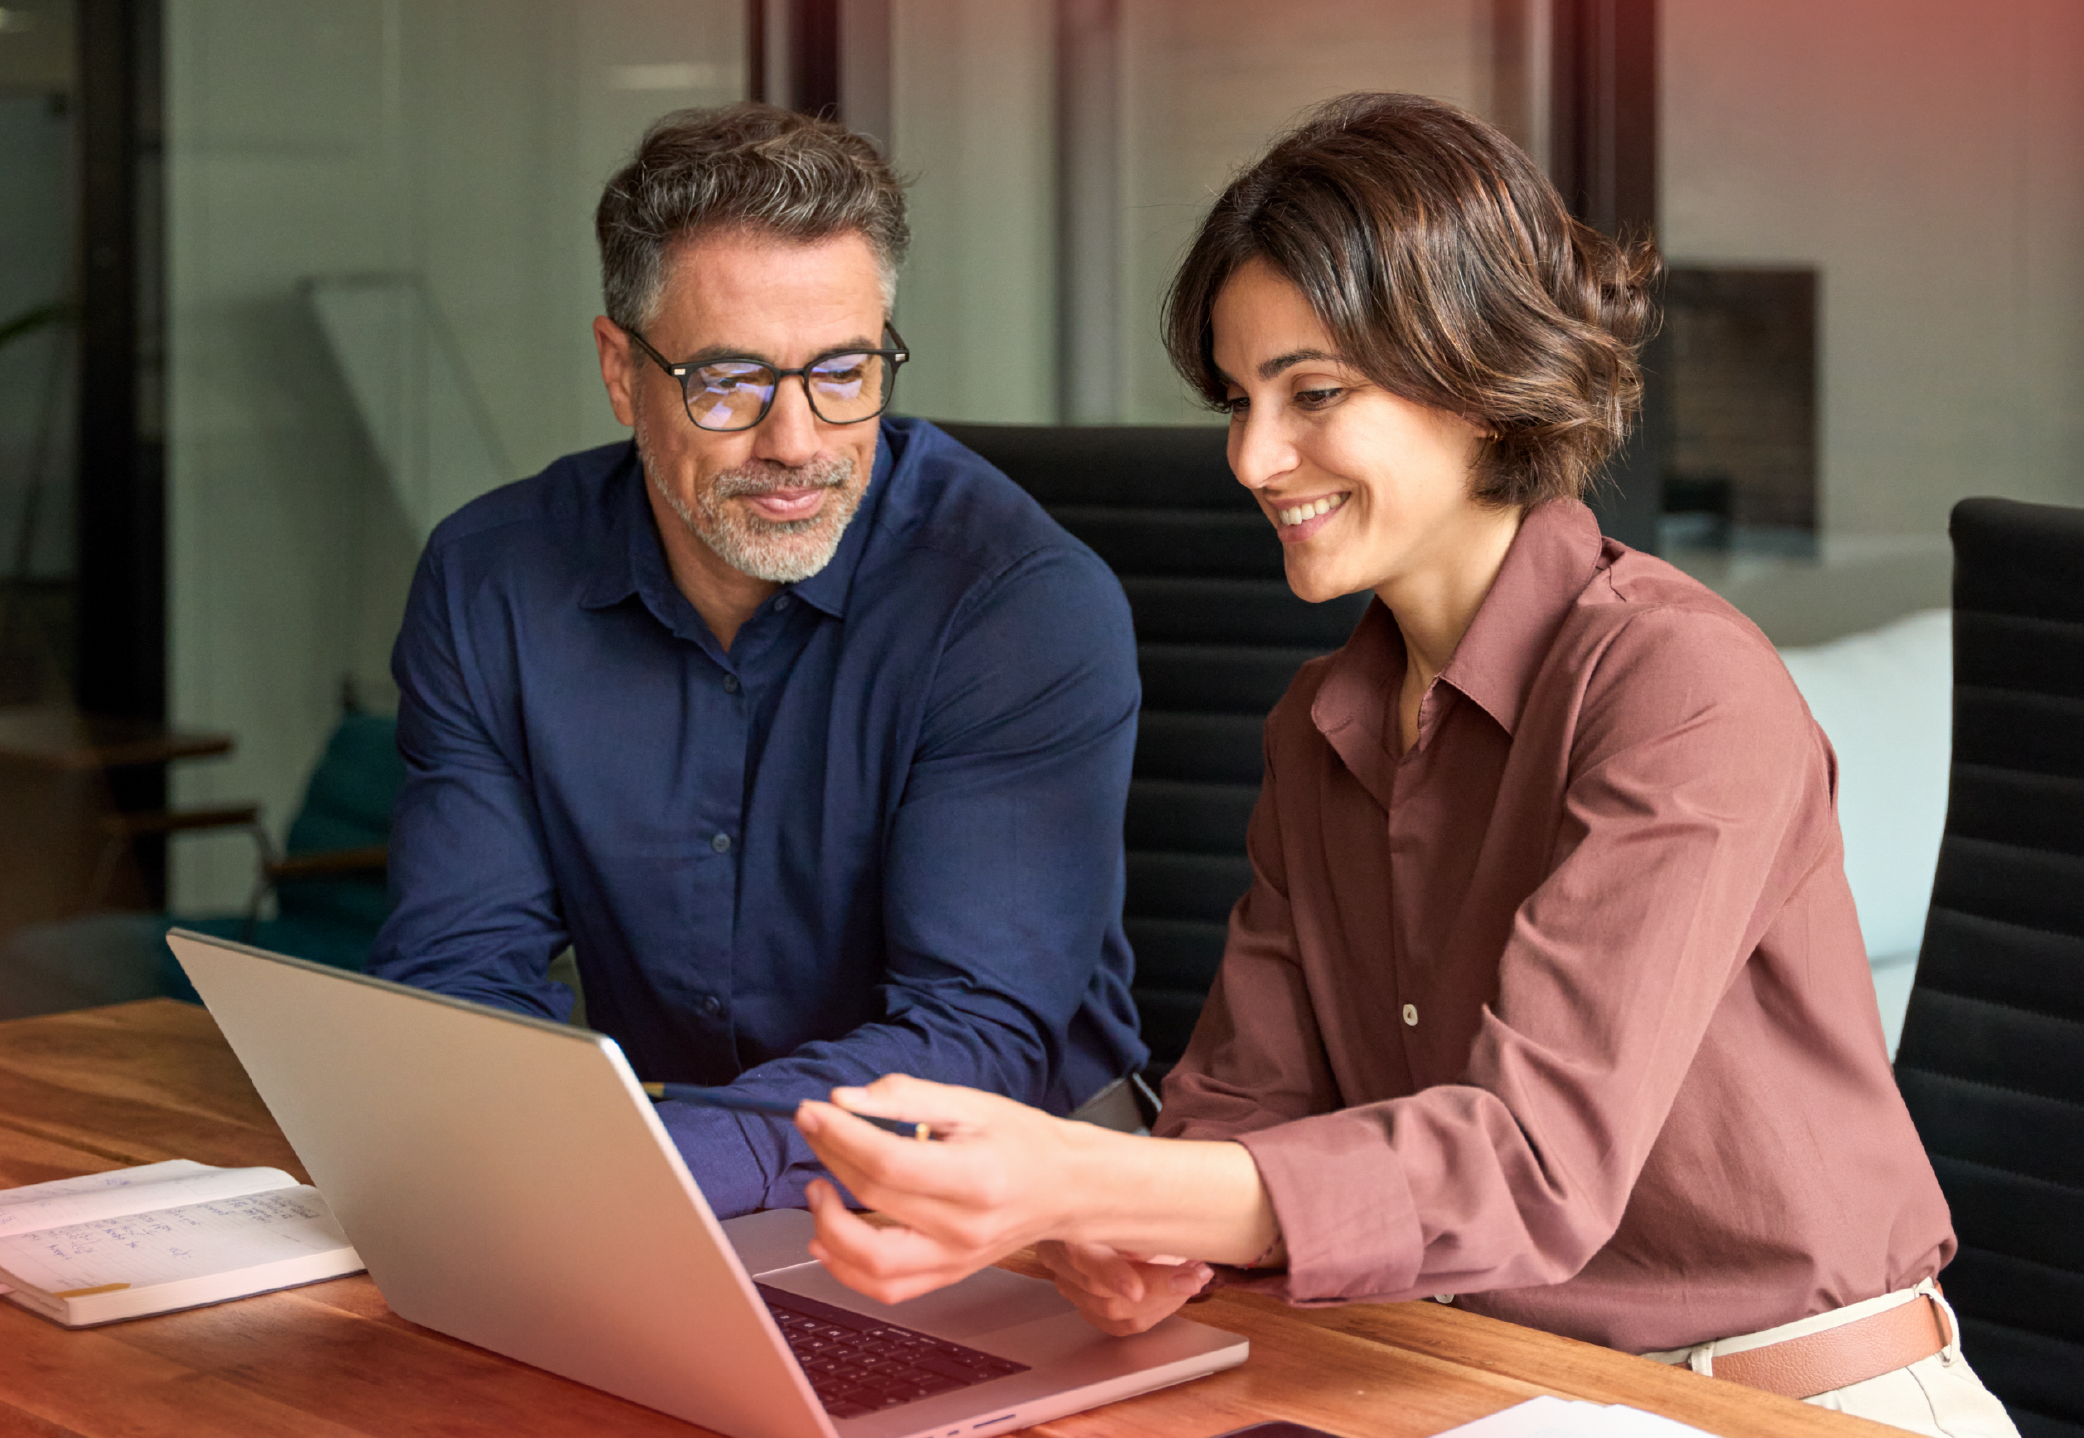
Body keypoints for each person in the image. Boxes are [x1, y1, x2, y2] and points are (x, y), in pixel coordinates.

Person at [788, 94, 2017, 1438]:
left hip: (1803, 1404)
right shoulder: (1324, 723)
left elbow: (1529, 1162)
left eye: (1314, 394)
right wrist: (1136, 1231)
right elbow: (1240, 1109)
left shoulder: (1679, 686)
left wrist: (1091, 1180)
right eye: (1240, 400)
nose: (1254, 457)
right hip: (1482, 1384)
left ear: (1480, 378)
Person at [368, 103, 1148, 1218]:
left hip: (1014, 1207)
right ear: (619, 370)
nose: (796, 443)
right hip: (666, 1183)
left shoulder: (1014, 602)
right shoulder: (492, 580)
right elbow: (458, 973)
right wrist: (546, 1167)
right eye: (727, 382)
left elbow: (971, 1036)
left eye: (843, 373)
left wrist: (641, 1173)